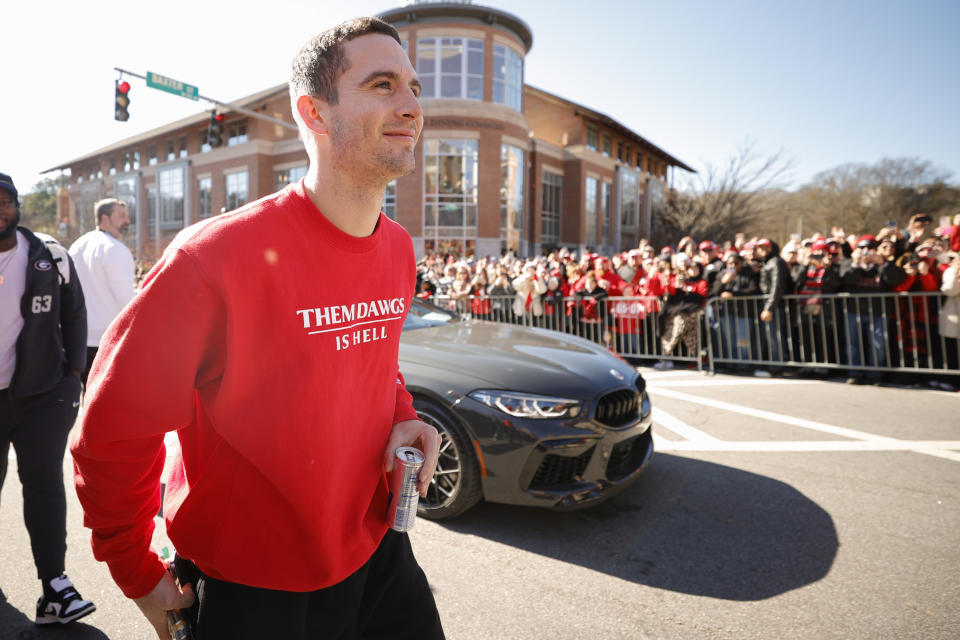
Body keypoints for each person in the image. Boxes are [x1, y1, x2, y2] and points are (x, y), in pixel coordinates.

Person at [69, 18, 444, 640]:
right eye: (383, 85)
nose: (411, 106)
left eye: (413, 87)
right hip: (250, 587)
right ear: (314, 114)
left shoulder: (399, 249)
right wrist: (136, 571)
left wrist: (404, 412)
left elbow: (375, 362)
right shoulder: (210, 259)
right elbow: (111, 430)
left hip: (378, 553)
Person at [0, 172, 95, 625]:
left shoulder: (47, 254)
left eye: (4, 200)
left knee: (43, 486)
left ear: (16, 206)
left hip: (41, 396)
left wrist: (72, 378)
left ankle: (55, 586)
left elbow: (75, 312)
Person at [68, 198, 136, 382]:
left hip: (80, 339)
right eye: (121, 216)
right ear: (105, 219)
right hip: (109, 341)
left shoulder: (77, 245)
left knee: (88, 399)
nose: (127, 221)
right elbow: (128, 301)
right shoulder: (115, 249)